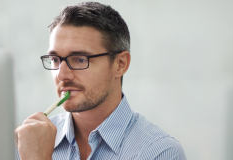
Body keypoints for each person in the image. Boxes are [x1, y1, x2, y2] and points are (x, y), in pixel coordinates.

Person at [15, 2, 186, 160]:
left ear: (120, 64)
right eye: (55, 60)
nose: (62, 75)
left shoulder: (159, 153)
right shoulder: (29, 142)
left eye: (80, 59)